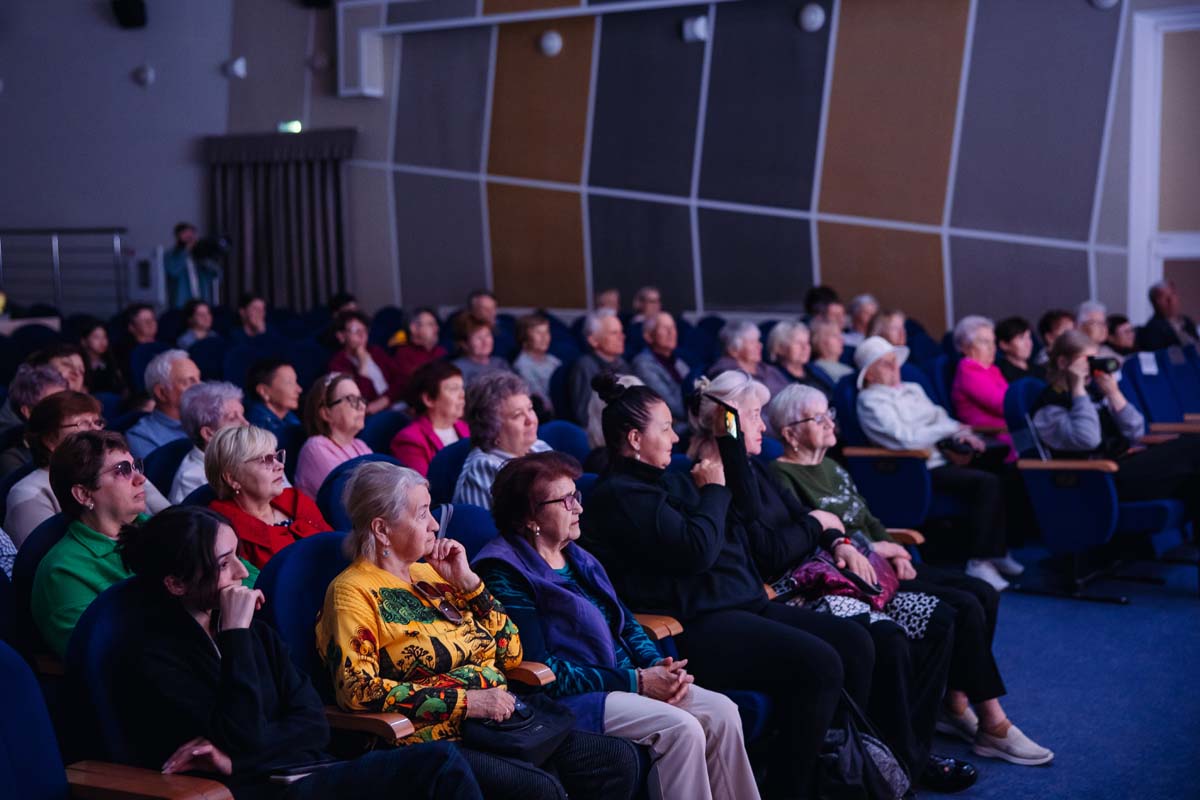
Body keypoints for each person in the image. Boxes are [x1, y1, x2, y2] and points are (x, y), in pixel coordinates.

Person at [579, 374, 974, 795]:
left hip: (744, 602)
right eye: (663, 428)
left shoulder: (672, 478)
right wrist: (713, 492)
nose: (674, 437)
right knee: (822, 663)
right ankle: (796, 787)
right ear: (636, 439)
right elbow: (698, 551)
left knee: (856, 642)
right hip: (696, 623)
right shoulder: (621, 494)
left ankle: (844, 766)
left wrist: (727, 421)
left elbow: (741, 501)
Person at [110, 505, 484, 800]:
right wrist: (235, 637)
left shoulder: (252, 629)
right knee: (439, 765)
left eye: (236, 555)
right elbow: (241, 734)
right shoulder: (156, 655)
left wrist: (237, 759)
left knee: (441, 769)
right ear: (176, 583)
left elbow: (312, 724)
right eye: (224, 564)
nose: (242, 571)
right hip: (259, 792)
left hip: (308, 771)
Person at [767, 383, 1053, 767]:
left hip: (885, 563)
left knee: (985, 592)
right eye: (818, 418)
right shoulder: (781, 475)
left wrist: (895, 548)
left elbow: (868, 518)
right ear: (789, 432)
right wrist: (874, 549)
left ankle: (954, 702)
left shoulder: (832, 466)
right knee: (965, 605)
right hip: (855, 577)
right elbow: (812, 539)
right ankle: (992, 722)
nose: (830, 422)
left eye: (829, 413)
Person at [317, 462, 641, 800]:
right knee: (539, 789)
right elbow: (358, 690)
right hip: (435, 740)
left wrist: (470, 583)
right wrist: (468, 702)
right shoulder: (351, 593)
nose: (433, 525)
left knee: (618, 759)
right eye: (422, 514)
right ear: (382, 530)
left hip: (501, 724)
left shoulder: (433, 574)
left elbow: (512, 652)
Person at [475, 452, 761, 800]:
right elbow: (541, 668)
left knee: (723, 713)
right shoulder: (504, 571)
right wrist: (637, 681)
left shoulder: (578, 556)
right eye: (565, 501)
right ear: (529, 517)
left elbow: (625, 624)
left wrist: (657, 665)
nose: (578, 508)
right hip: (575, 697)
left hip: (630, 680)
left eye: (576, 496)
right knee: (682, 728)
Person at [855, 336, 1021, 590]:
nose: (895, 368)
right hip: (914, 469)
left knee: (1003, 469)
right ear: (869, 375)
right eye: (885, 364)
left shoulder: (912, 388)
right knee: (986, 483)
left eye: (894, 362)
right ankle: (979, 562)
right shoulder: (870, 401)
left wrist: (959, 432)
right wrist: (943, 430)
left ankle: (995, 551)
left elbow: (939, 416)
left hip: (941, 455)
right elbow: (905, 438)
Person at [1032, 330, 1200, 525]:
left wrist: (1113, 393)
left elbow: (1136, 431)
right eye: (1087, 360)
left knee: (1193, 478)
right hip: (1098, 480)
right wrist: (1078, 389)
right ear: (1063, 363)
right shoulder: (1049, 405)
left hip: (1123, 466)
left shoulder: (1093, 394)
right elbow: (1088, 439)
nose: (1092, 366)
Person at [29, 431, 165, 657]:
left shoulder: (155, 528)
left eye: (135, 466)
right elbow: (102, 660)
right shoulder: (63, 572)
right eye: (122, 471)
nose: (140, 479)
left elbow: (242, 576)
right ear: (83, 494)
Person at [5, 391, 166, 546]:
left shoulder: (126, 470)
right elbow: (43, 556)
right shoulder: (27, 493)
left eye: (98, 422)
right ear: (50, 440)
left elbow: (169, 516)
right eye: (83, 423)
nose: (96, 430)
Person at [208, 425, 329, 569]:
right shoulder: (223, 530)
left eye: (277, 457)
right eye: (266, 460)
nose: (280, 466)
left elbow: (335, 547)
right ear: (232, 478)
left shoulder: (295, 500)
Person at [453, 373, 550, 509]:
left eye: (530, 409)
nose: (530, 420)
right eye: (517, 415)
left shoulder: (540, 447)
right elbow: (484, 529)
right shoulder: (483, 468)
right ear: (492, 428)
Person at [294, 373, 372, 500]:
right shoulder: (314, 447)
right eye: (351, 399)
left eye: (361, 399)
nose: (362, 407)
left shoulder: (359, 445)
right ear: (326, 413)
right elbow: (351, 499)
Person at [169, 382, 249, 503]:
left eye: (242, 415)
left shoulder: (250, 453)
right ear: (208, 433)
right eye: (233, 418)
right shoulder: (191, 479)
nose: (246, 424)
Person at [949, 316, 1013, 459]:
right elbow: (1003, 405)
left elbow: (1011, 398)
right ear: (966, 346)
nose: (992, 348)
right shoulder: (968, 371)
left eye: (993, 342)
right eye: (985, 342)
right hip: (991, 435)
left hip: (1009, 430)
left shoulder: (991, 369)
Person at [390, 361, 469, 476]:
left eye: (462, 388)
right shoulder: (409, 440)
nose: (462, 395)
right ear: (428, 399)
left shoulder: (464, 427)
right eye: (453, 389)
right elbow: (425, 487)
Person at [124, 349, 201, 459]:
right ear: (161, 393)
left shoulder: (207, 421)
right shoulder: (141, 437)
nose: (201, 387)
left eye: (199, 379)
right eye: (188, 381)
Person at [328, 310, 403, 415]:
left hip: (393, 405)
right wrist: (362, 366)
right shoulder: (338, 364)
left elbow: (399, 379)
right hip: (369, 416)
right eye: (355, 330)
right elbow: (356, 401)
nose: (362, 335)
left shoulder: (375, 351)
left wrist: (386, 399)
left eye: (364, 330)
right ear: (341, 336)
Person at [0, 364, 68, 475]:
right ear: (28, 412)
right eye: (53, 404)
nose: (65, 409)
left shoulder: (75, 440)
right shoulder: (12, 459)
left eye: (66, 401)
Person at [566, 310, 631, 426]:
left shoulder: (623, 364)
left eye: (621, 332)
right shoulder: (584, 367)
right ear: (593, 340)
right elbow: (584, 415)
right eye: (614, 333)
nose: (622, 337)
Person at [631, 311, 690, 427]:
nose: (671, 332)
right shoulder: (643, 364)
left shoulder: (679, 362)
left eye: (673, 327)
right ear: (648, 336)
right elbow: (673, 406)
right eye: (664, 328)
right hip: (666, 427)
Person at [706, 320, 787, 397]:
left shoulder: (767, 369)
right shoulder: (726, 374)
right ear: (733, 350)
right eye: (752, 342)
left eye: (758, 341)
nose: (760, 346)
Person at [766, 320, 830, 398]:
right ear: (780, 348)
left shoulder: (815, 370)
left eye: (807, 343)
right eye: (798, 343)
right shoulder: (771, 376)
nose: (805, 348)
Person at [512, 314, 561, 414]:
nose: (544, 338)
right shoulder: (521, 365)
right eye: (538, 333)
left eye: (546, 332)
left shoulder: (554, 361)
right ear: (524, 337)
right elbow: (538, 399)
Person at [162, 222, 220, 308]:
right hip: (181, 303)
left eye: (192, 234)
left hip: (202, 302)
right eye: (186, 234)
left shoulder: (201, 256)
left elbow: (216, 275)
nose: (190, 238)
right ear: (178, 236)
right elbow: (173, 272)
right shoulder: (170, 255)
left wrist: (206, 256)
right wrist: (186, 251)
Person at [244, 358, 303, 441]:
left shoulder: (289, 417)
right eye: (289, 382)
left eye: (295, 382)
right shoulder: (257, 428)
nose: (299, 389)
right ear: (264, 391)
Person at [392, 307, 448, 392]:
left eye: (436, 324)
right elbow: (413, 386)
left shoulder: (441, 351)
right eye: (430, 324)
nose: (437, 328)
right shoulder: (403, 354)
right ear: (414, 328)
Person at [452, 314, 513, 387]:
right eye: (478, 337)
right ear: (464, 344)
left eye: (487, 335)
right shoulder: (457, 369)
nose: (485, 342)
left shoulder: (501, 363)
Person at [1138, 280, 1199, 351]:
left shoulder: (1187, 321)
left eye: (1173, 294)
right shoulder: (1152, 329)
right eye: (1164, 297)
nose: (1170, 300)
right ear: (1154, 303)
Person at [75, 316, 127, 396]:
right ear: (84, 341)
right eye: (96, 337)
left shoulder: (113, 360)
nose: (102, 342)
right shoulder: (78, 364)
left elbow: (122, 389)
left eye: (104, 337)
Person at [994, 317, 1045, 383]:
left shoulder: (1040, 370)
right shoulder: (1000, 374)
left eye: (1029, 337)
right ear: (1004, 345)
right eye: (1021, 338)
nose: (1028, 344)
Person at [809, 318, 853, 384]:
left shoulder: (848, 364)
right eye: (835, 336)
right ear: (821, 340)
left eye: (840, 335)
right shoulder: (816, 370)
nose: (841, 340)